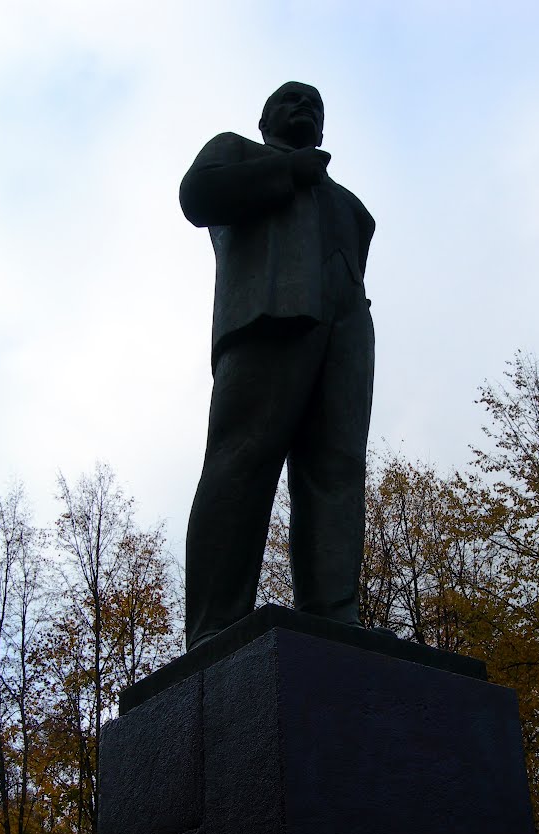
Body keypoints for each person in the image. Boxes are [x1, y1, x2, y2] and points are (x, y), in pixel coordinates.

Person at [180, 81, 376, 650]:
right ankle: (214, 625)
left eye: (315, 104)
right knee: (242, 459)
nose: (305, 108)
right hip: (269, 316)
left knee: (337, 471)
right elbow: (199, 196)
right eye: (291, 100)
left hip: (346, 331)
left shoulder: (348, 203)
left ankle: (335, 617)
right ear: (265, 117)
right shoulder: (238, 151)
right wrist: (289, 174)